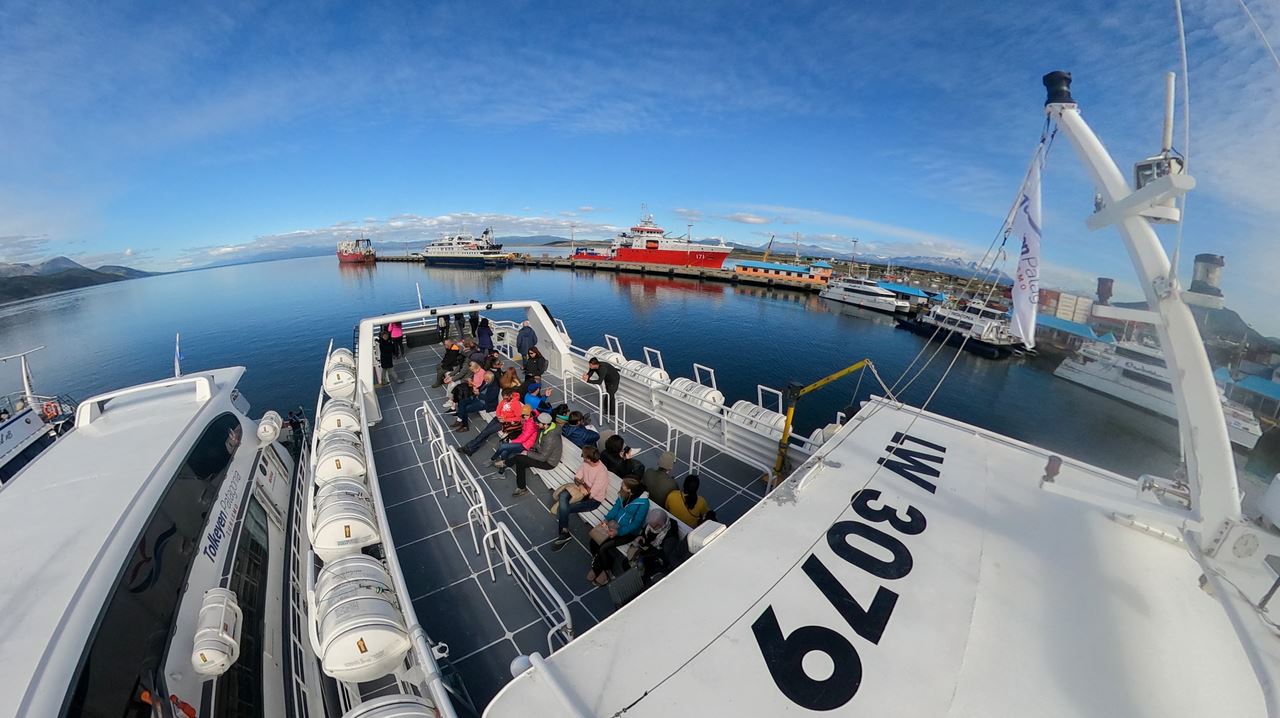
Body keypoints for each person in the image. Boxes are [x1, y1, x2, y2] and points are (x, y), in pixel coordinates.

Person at [586, 477, 650, 586]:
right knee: (593, 541)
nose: (621, 486)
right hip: (614, 524)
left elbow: (636, 523)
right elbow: (616, 508)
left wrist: (618, 532)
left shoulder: (643, 503)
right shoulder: (623, 494)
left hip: (629, 532)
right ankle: (599, 566)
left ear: (630, 490)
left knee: (603, 548)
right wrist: (607, 519)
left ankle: (606, 572)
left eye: (624, 485)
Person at [552, 445, 609, 550]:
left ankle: (564, 534)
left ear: (588, 459)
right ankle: (564, 532)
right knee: (564, 496)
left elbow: (592, 494)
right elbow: (577, 478)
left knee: (565, 508)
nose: (582, 457)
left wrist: (584, 487)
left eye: (584, 456)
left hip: (594, 500)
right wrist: (582, 485)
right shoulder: (585, 464)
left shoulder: (602, 472)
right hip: (582, 491)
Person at [629, 508, 689, 587]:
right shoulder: (653, 526)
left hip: (658, 561)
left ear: (659, 526)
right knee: (629, 562)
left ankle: (638, 584)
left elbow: (667, 558)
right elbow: (645, 533)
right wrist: (641, 537)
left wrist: (646, 549)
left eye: (652, 526)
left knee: (638, 567)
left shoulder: (670, 539)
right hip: (648, 552)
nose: (649, 527)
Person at [508, 412, 563, 497]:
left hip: (548, 462)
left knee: (520, 459)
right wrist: (532, 448)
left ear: (545, 424)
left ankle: (521, 487)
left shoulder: (551, 438)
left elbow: (543, 458)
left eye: (538, 423)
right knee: (520, 459)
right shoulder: (544, 429)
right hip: (541, 452)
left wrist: (528, 453)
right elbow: (538, 441)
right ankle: (506, 464)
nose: (536, 424)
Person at [460, 387, 524, 455]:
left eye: (506, 398)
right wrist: (498, 415)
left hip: (504, 423)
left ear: (510, 395)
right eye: (504, 398)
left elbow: (519, 418)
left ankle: (469, 447)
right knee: (485, 432)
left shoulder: (516, 404)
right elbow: (499, 408)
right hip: (498, 418)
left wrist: (505, 419)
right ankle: (472, 448)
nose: (505, 399)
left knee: (485, 432)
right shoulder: (505, 400)